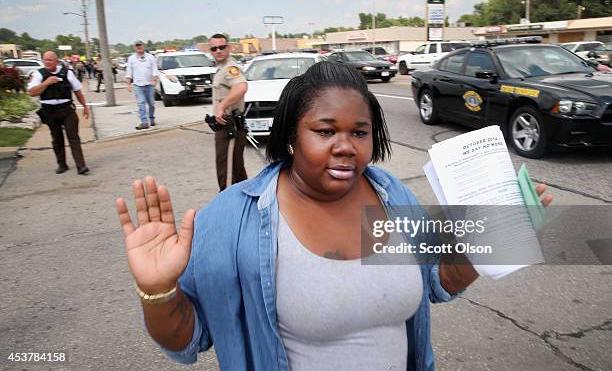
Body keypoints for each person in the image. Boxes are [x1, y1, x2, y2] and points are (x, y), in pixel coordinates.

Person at [116, 62, 553, 370]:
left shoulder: (389, 196)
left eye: (358, 132)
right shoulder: (235, 219)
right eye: (325, 131)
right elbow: (189, 338)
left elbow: (440, 281)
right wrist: (157, 290)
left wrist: (493, 239)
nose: (346, 146)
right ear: (290, 135)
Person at [28, 51, 90, 175]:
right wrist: (46, 82)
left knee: (73, 137)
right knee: (57, 138)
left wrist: (85, 106)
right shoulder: (39, 74)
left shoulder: (67, 73)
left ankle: (81, 165)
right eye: (45, 60)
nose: (47, 62)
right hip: (49, 111)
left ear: (56, 61)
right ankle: (62, 164)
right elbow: (32, 92)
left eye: (50, 60)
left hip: (66, 109)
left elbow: (77, 91)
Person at [208, 33, 248, 191]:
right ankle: (243, 208)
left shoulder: (231, 68)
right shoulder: (221, 69)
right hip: (225, 126)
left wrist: (221, 106)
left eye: (222, 47)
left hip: (229, 127)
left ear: (229, 48)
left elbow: (242, 87)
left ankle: (226, 209)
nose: (218, 51)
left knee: (227, 174)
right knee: (236, 172)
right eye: (214, 48)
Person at [126, 42, 159, 130]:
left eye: (140, 46)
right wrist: (128, 84)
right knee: (141, 103)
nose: (139, 48)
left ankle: (151, 118)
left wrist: (154, 80)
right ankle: (144, 122)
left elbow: (154, 69)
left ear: (143, 47)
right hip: (138, 85)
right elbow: (129, 72)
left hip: (149, 85)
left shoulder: (150, 57)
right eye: (137, 46)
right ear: (135, 48)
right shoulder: (131, 59)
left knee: (151, 103)